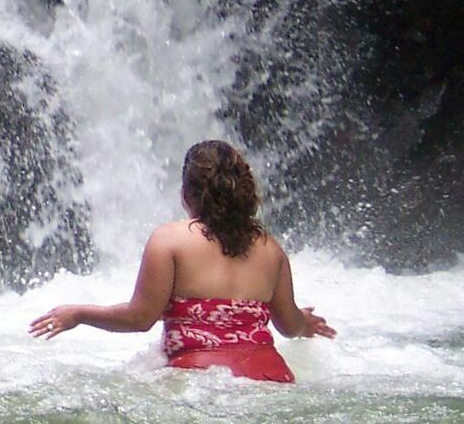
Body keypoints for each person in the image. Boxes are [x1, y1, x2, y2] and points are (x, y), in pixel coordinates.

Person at [27, 140, 334, 382]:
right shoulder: (271, 249)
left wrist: (79, 313)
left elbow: (140, 318)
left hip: (200, 382)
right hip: (273, 378)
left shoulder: (169, 240)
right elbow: (289, 325)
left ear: (186, 194)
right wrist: (304, 324)